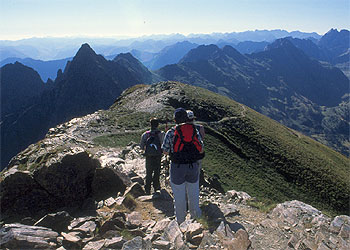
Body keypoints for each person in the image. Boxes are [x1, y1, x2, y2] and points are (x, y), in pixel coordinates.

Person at [162, 108, 204, 224]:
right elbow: (201, 149)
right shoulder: (194, 130)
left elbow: (165, 151)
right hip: (192, 166)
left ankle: (180, 221)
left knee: (179, 196)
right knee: (193, 193)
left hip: (177, 167)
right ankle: (196, 218)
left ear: (175, 119)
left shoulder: (171, 132)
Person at [140, 118, 165, 195]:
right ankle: (156, 188)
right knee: (157, 172)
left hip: (149, 156)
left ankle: (147, 189)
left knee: (149, 172)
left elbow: (141, 146)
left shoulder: (145, 134)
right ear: (158, 125)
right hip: (158, 156)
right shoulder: (161, 134)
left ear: (150, 124)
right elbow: (163, 145)